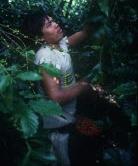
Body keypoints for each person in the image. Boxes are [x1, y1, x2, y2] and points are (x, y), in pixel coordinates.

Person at [24, 12, 98, 166]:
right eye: (49, 25)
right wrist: (83, 86)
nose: (56, 24)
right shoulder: (46, 58)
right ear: (40, 38)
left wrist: (96, 6)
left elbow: (85, 33)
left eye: (53, 21)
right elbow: (56, 98)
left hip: (68, 123)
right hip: (59, 132)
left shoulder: (60, 45)